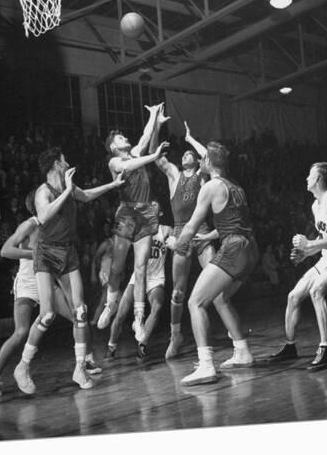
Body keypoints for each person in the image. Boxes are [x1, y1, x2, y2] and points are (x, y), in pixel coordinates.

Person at [13, 148, 125, 394]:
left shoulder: (69, 187)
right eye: (64, 159)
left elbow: (85, 195)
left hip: (67, 251)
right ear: (56, 164)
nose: (67, 161)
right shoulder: (44, 191)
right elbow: (43, 215)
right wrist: (66, 190)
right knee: (47, 314)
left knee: (81, 311)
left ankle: (79, 367)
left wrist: (112, 185)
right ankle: (23, 366)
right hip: (46, 253)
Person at [0, 191, 102, 398]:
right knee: (21, 332)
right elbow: (5, 250)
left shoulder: (54, 228)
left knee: (78, 315)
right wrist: (35, 253)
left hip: (47, 280)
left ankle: (86, 360)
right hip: (28, 283)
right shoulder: (30, 225)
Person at [174, 141, 259, 386]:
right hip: (250, 247)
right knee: (221, 298)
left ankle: (206, 365)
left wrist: (180, 245)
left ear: (209, 163)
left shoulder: (210, 186)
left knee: (195, 302)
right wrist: (210, 236)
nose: (201, 162)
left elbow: (191, 224)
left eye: (203, 159)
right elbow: (234, 222)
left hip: (234, 248)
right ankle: (242, 351)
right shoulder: (235, 186)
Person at [268, 162, 327, 370]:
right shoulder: (315, 206)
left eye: (309, 174)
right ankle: (290, 346)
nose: (306, 178)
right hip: (326, 257)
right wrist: (304, 253)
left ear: (318, 179)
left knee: (317, 291)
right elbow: (323, 239)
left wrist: (309, 244)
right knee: (293, 296)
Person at [97, 104, 170, 343]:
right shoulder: (114, 163)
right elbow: (129, 166)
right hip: (127, 213)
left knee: (141, 269)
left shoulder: (137, 152)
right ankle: (110, 304)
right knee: (118, 268)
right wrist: (154, 156)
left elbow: (145, 136)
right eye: (120, 137)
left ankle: (138, 319)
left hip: (147, 213)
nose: (125, 137)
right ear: (113, 147)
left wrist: (152, 116)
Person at [148, 108, 216, 359]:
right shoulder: (174, 174)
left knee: (215, 284)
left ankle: (231, 335)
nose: (187, 154)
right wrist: (156, 124)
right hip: (180, 233)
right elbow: (155, 156)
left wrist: (189, 139)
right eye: (185, 152)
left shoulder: (202, 175)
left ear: (197, 161)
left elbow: (208, 155)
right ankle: (176, 336)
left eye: (191, 154)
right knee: (178, 291)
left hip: (202, 232)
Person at [104, 201, 171, 362]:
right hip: (138, 277)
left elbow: (179, 237)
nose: (151, 207)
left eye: (155, 206)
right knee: (121, 313)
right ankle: (111, 346)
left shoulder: (166, 230)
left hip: (156, 278)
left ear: (159, 213)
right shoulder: (138, 228)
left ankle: (142, 344)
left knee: (157, 306)